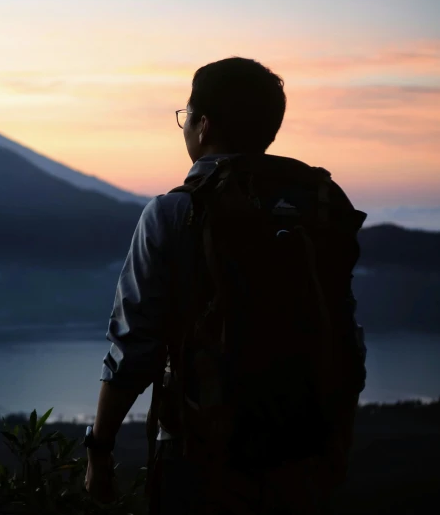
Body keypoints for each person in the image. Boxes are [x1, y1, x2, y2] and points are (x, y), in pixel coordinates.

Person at [83, 57, 368, 514]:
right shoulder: (318, 205)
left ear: (203, 124)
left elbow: (134, 346)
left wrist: (99, 447)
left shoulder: (174, 213)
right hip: (304, 452)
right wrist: (338, 442)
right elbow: (344, 330)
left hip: (200, 453)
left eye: (186, 116)